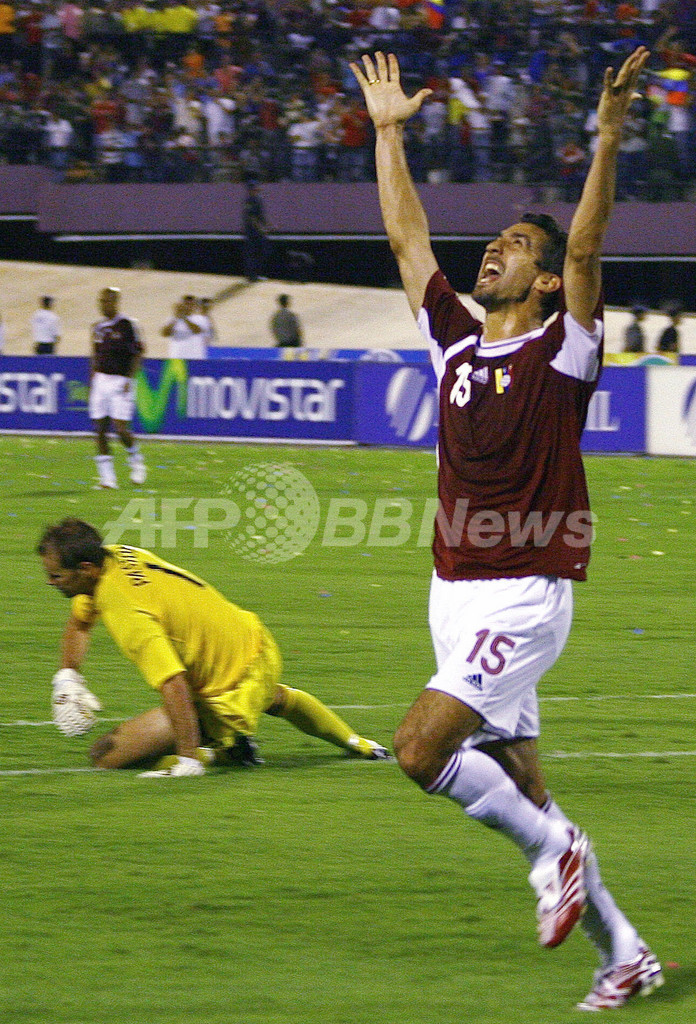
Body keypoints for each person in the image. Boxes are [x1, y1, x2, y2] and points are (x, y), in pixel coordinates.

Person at [351, 48, 663, 1011]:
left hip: (525, 593)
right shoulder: (453, 338)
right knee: (523, 787)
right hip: (453, 593)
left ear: (540, 282)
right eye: (496, 243)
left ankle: (557, 855)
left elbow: (586, 248)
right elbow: (409, 243)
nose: (498, 250)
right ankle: (626, 952)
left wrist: (607, 137)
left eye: (516, 246)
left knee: (420, 750)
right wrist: (389, 133)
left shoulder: (564, 350)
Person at [38, 518, 390, 777]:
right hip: (251, 642)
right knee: (273, 697)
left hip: (225, 686)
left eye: (56, 576)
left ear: (85, 569)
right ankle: (358, 742)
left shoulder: (123, 606)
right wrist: (68, 676)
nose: (50, 582)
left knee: (104, 756)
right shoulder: (114, 556)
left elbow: (172, 681)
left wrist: (189, 759)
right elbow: (80, 622)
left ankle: (223, 749)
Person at [90, 286, 147, 490]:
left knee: (121, 428)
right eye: (101, 301)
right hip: (101, 382)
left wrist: (129, 379)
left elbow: (139, 353)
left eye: (106, 301)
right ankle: (107, 479)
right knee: (100, 430)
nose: (103, 305)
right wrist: (93, 381)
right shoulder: (97, 327)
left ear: (116, 302)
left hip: (120, 381)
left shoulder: (128, 325)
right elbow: (95, 356)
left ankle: (136, 460)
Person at [161, 294, 206, 359]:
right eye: (186, 304)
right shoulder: (172, 319)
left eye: (191, 305)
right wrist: (176, 317)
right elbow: (164, 333)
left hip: (195, 357)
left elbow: (197, 330)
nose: (188, 307)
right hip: (176, 356)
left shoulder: (200, 318)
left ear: (195, 306)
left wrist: (184, 317)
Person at [243, 180, 269, 283]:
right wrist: (261, 228)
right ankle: (251, 276)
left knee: (260, 252)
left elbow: (262, 215)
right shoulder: (249, 201)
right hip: (252, 231)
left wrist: (267, 226)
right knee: (252, 253)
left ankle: (257, 274)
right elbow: (251, 217)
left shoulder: (259, 199)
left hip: (258, 230)